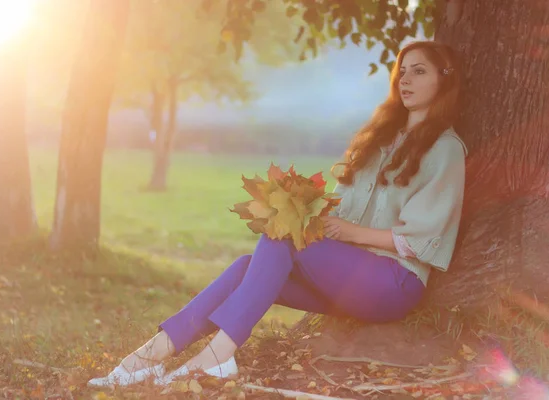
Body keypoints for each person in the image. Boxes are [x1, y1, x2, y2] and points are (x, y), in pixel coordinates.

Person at [87, 40, 468, 388]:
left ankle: (219, 356)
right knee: (245, 265)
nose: (406, 79)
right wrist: (302, 206)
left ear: (443, 79)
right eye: (403, 70)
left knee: (282, 235)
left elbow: (419, 241)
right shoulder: (380, 137)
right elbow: (340, 204)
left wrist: (346, 232)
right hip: (345, 274)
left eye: (419, 71)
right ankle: (148, 357)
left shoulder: (446, 150)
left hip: (393, 283)